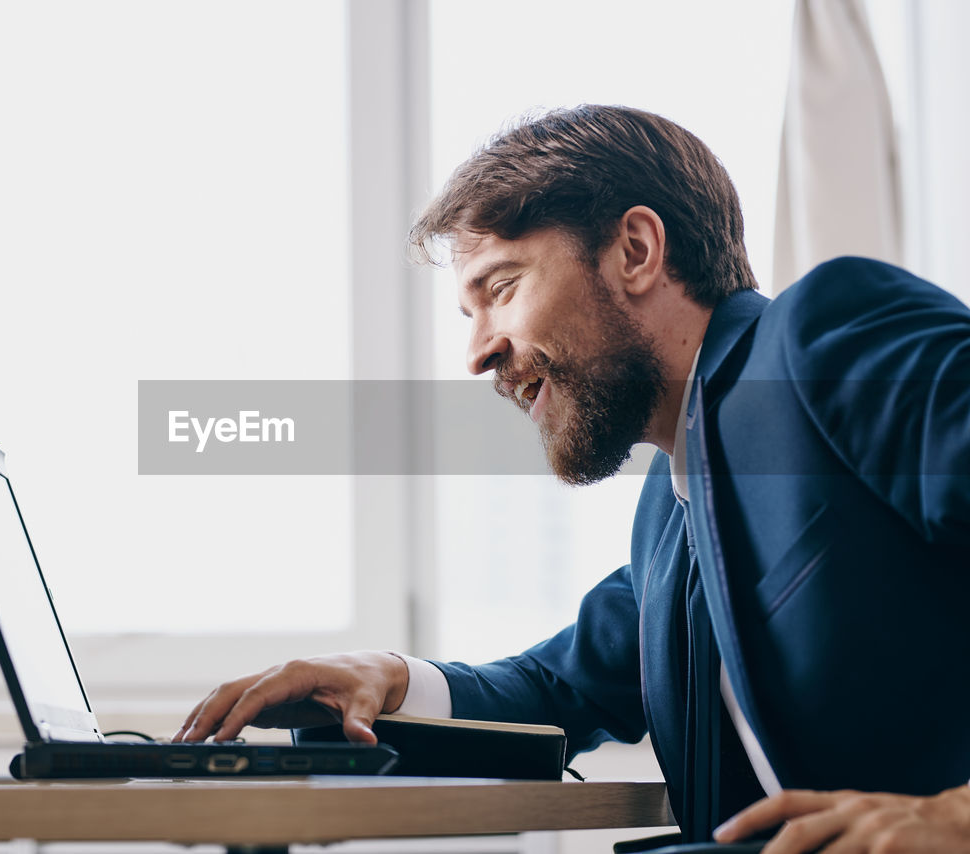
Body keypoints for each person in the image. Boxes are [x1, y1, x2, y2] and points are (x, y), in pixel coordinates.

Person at [173, 105, 970, 851]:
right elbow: (559, 687)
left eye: (504, 287)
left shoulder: (820, 335)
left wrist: (955, 815)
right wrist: (387, 676)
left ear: (635, 252)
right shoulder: (670, 507)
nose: (478, 352)